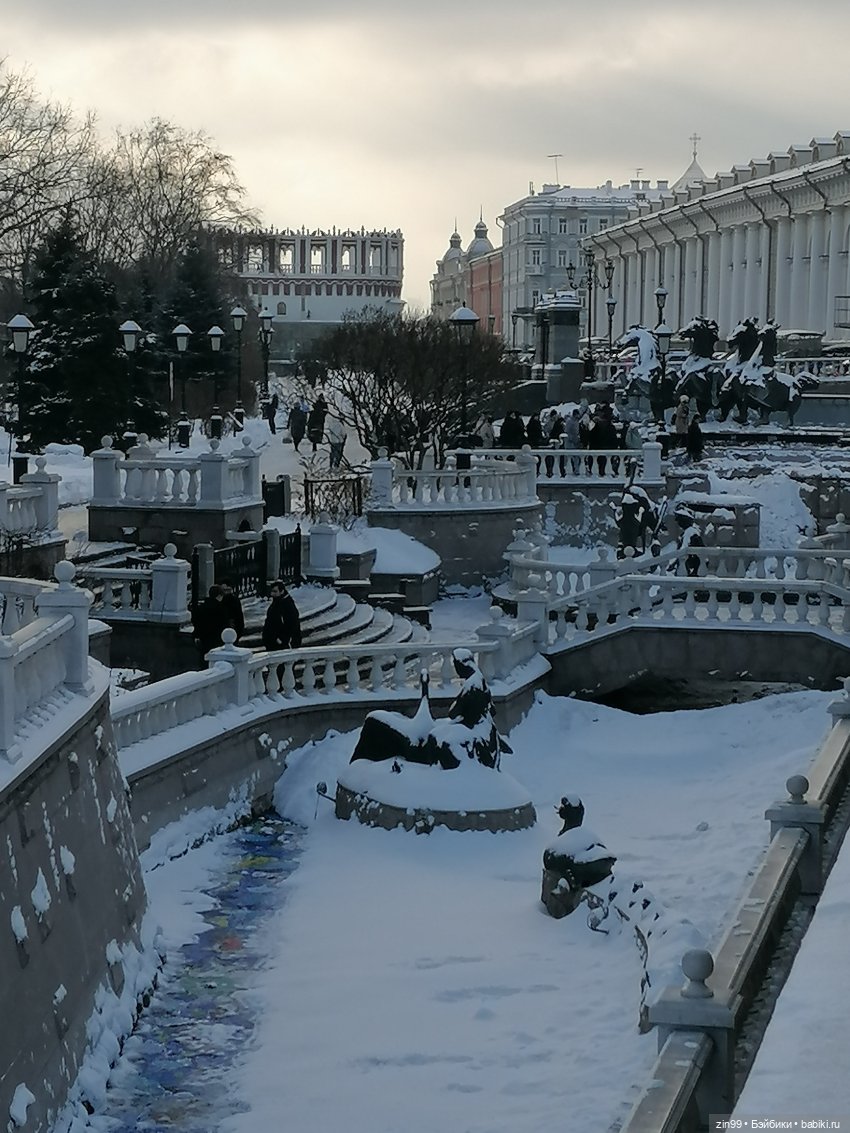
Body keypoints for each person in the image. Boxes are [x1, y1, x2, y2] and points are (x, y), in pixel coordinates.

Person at [192, 585, 230, 663]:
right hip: (217, 639)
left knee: (204, 660)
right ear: (219, 596)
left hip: (204, 638)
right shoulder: (221, 609)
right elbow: (225, 624)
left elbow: (196, 621)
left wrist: (197, 635)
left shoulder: (202, 607)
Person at [262, 581, 302, 650]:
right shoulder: (277, 602)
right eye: (272, 591)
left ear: (282, 591)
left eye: (275, 591)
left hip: (279, 643)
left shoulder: (287, 605)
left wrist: (281, 639)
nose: (272, 594)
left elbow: (292, 624)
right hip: (272, 641)